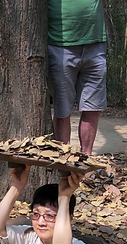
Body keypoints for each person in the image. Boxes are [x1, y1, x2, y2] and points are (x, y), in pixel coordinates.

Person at [0, 165, 88, 244]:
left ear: (68, 219)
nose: (41, 222)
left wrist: (64, 198)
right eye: (36, 214)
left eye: (50, 216)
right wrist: (16, 186)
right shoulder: (29, 238)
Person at [48, 0, 107, 155]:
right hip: (59, 45)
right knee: (62, 111)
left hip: (95, 44)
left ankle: (85, 161)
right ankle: (64, 165)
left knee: (93, 108)